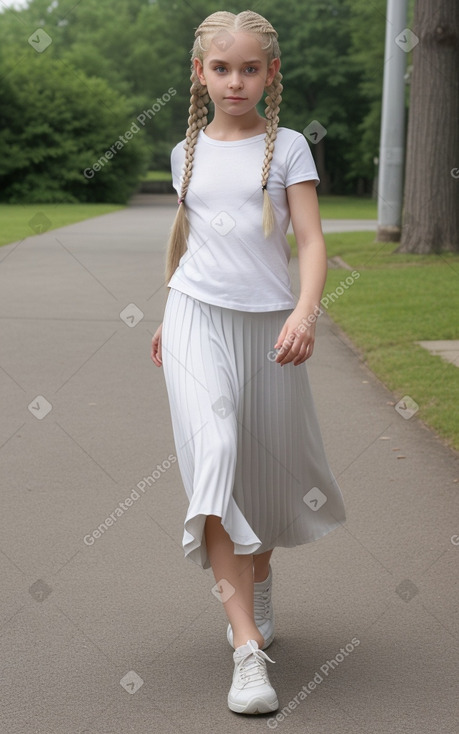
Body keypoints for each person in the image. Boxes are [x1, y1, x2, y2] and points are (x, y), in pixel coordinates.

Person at [151, 9, 346, 716]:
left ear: (269, 74)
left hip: (268, 328)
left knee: (260, 482)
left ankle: (258, 575)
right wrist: (165, 315)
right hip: (193, 318)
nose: (236, 81)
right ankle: (245, 652)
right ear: (200, 73)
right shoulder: (185, 152)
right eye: (222, 68)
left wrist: (303, 311)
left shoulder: (288, 146)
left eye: (250, 68)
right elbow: (188, 240)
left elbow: (312, 241)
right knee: (216, 455)